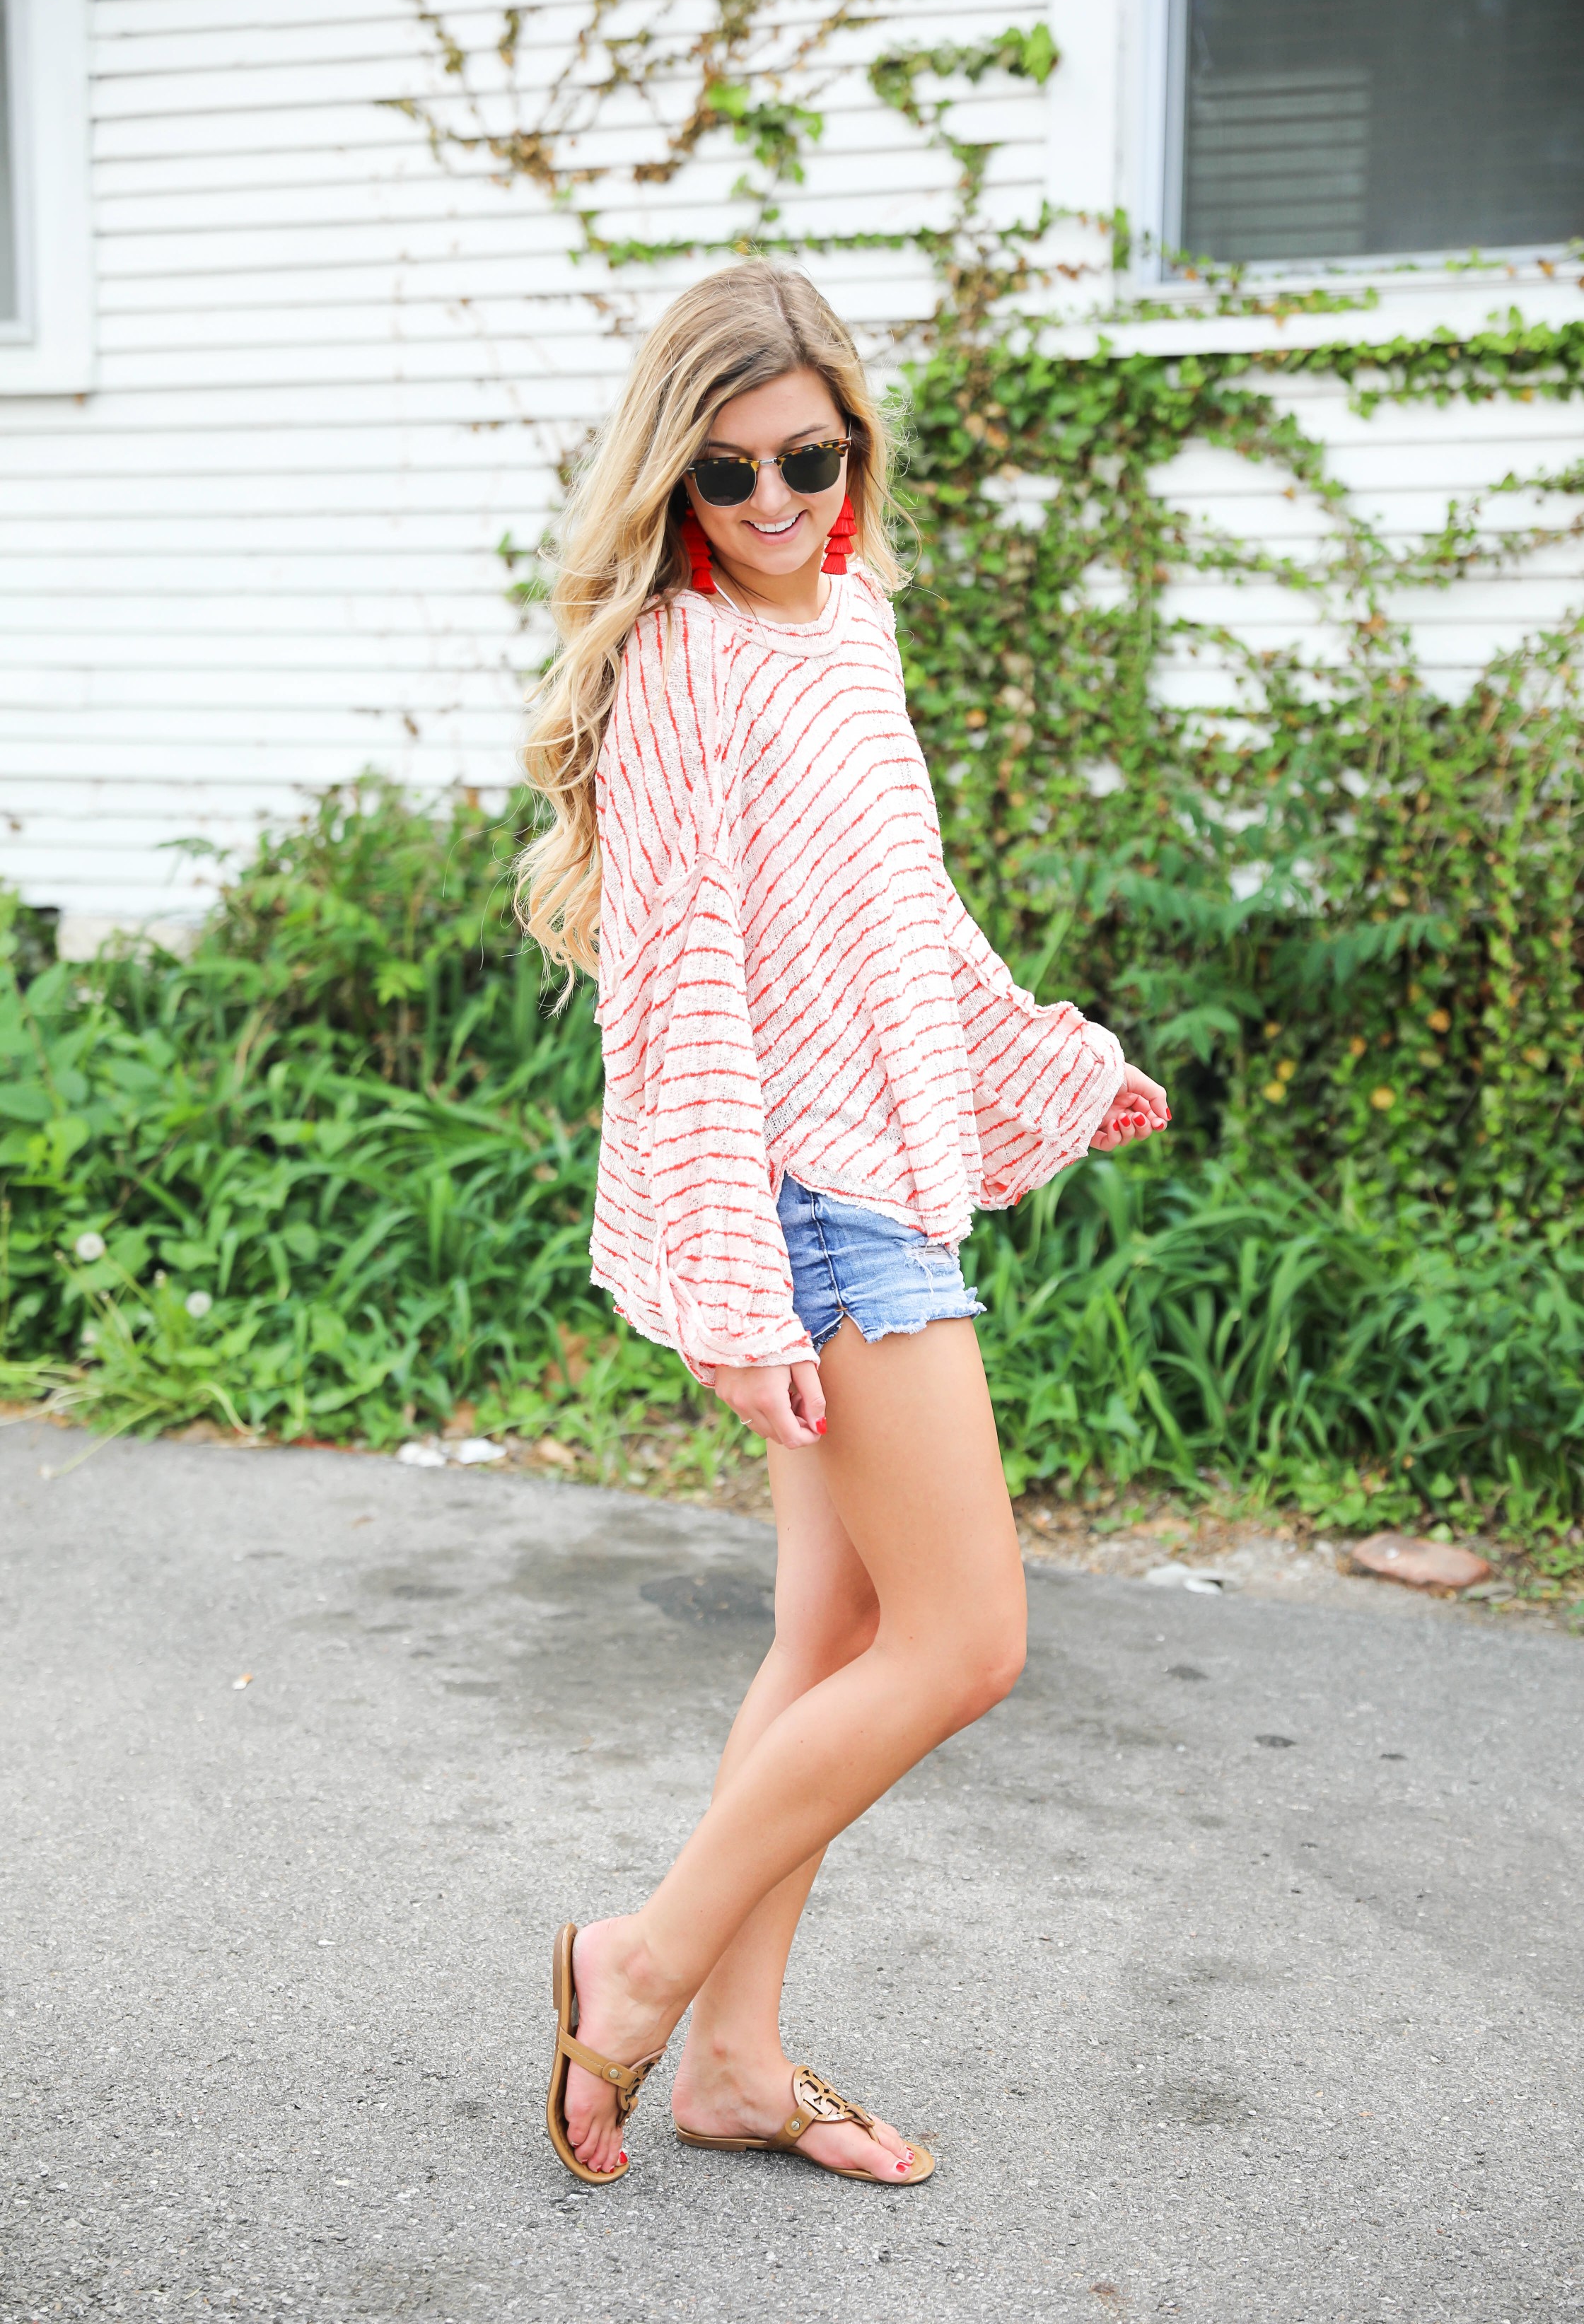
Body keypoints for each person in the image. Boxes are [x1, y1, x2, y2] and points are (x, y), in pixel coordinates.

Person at [518, 260, 1168, 2190]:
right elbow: (686, 989)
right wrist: (730, 1273)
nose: (781, 501)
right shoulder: (687, 668)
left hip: (884, 1180)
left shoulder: (846, 622)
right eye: (729, 475)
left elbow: (899, 924)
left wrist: (1039, 1060)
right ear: (673, 485)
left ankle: (734, 2060)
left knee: (837, 1628)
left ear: (853, 450)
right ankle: (640, 1968)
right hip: (812, 1213)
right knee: (968, 1641)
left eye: (813, 456)